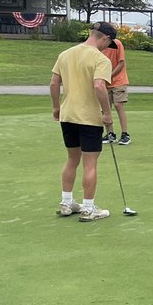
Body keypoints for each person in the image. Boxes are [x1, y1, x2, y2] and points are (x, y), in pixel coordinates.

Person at [50, 21, 118, 221]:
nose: (108, 47)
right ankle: (88, 208)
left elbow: (54, 83)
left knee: (72, 159)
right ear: (104, 38)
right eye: (109, 42)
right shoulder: (101, 59)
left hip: (68, 115)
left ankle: (66, 202)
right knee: (90, 163)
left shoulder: (66, 54)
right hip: (89, 118)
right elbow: (99, 86)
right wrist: (107, 113)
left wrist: (56, 107)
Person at [103, 31, 131, 145]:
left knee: (118, 104)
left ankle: (125, 134)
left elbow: (121, 63)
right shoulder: (99, 46)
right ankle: (110, 134)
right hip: (105, 81)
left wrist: (110, 76)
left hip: (118, 80)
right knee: (105, 107)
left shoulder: (117, 44)